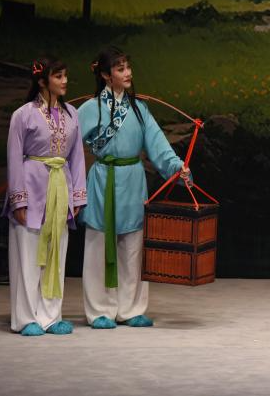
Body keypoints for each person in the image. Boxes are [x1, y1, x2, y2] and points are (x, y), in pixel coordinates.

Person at [78, 46, 190, 329]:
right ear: (106, 75)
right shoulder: (89, 109)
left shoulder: (139, 109)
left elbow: (158, 145)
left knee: (133, 247)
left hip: (132, 179)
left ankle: (131, 309)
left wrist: (177, 168)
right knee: (98, 247)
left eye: (128, 67)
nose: (128, 73)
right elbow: (67, 148)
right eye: (120, 69)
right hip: (104, 179)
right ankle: (100, 311)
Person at [4, 57, 87, 335]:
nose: (65, 81)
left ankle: (51, 316)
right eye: (58, 76)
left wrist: (77, 196)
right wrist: (19, 198)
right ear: (42, 81)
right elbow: (14, 158)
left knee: (56, 253)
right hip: (32, 185)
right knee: (28, 255)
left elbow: (77, 157)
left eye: (65, 75)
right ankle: (26, 318)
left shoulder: (72, 114)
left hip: (60, 187)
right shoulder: (23, 115)